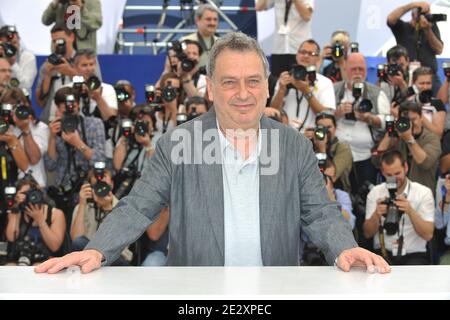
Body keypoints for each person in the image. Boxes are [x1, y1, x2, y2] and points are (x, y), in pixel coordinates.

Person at [36, 32, 390, 274]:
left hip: (274, 293)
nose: (243, 93)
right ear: (211, 90)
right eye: (229, 82)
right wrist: (96, 250)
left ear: (267, 88)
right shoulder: (177, 144)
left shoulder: (293, 145)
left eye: (253, 81)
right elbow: (138, 206)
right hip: (197, 297)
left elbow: (321, 213)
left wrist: (345, 248)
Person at [364, 150, 434, 265]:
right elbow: (367, 233)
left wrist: (410, 211)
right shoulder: (375, 193)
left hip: (414, 255)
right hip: (382, 253)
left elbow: (428, 235)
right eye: (389, 175)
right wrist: (376, 214)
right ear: (382, 172)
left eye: (397, 173)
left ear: (405, 167)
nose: (394, 179)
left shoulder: (423, 192)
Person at [334, 52, 390, 192]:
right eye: (354, 69)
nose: (357, 73)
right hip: (337, 154)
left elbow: (387, 121)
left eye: (361, 69)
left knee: (364, 198)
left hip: (365, 156)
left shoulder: (377, 93)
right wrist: (338, 113)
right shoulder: (334, 89)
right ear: (345, 69)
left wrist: (369, 118)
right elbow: (322, 116)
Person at [270, 39, 336, 132]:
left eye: (311, 54)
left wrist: (306, 91)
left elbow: (326, 115)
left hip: (311, 138)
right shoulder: (285, 79)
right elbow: (273, 112)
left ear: (317, 58)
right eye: (303, 52)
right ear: (296, 55)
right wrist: (281, 90)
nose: (305, 56)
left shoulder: (325, 82)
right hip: (285, 135)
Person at [376, 101, 441, 194]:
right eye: (406, 121)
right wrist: (389, 133)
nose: (410, 124)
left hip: (421, 194)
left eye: (413, 119)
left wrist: (409, 139)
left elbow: (425, 163)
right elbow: (377, 161)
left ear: (421, 118)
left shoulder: (432, 138)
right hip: (395, 191)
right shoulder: (397, 138)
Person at [6, 176, 66, 265]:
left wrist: (41, 220)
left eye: (31, 193)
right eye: (24, 193)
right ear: (17, 195)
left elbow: (55, 247)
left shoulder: (56, 214)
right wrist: (16, 207)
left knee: (38, 268)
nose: (29, 197)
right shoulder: (16, 212)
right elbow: (11, 238)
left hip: (46, 260)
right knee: (9, 267)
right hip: (20, 258)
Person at [387, 1, 444, 94]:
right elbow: (391, 19)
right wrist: (412, 6)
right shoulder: (403, 27)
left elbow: (439, 49)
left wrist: (428, 30)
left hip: (430, 76)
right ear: (414, 15)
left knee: (438, 101)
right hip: (408, 75)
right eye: (423, 14)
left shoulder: (431, 27)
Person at [256, 0, 314, 78]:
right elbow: (259, 7)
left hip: (298, 49)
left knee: (299, 81)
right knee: (277, 83)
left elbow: (307, 16)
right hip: (279, 49)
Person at [0, 25, 37, 94]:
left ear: (19, 39)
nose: (12, 47)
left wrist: (13, 64)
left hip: (19, 100)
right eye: (8, 44)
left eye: (14, 42)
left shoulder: (28, 57)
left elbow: (26, 86)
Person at [181, 4, 219, 69]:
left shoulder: (221, 43)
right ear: (197, 20)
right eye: (208, 19)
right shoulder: (185, 41)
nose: (212, 23)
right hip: (192, 78)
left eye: (215, 19)